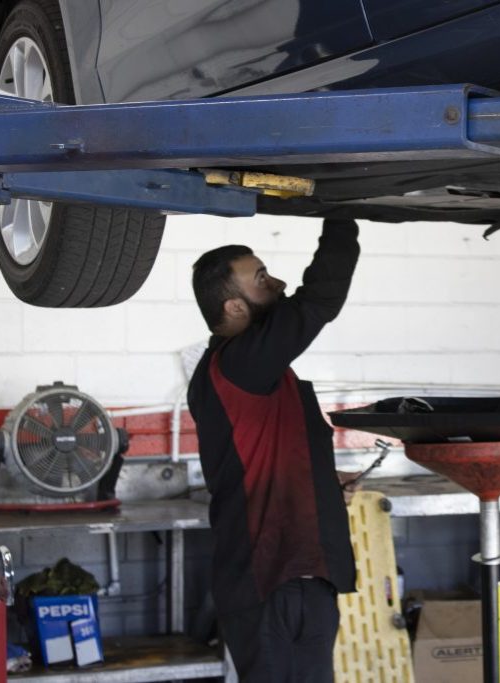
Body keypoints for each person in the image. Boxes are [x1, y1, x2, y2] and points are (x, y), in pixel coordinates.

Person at [187, 219, 362, 682]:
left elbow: (270, 457)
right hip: (267, 585)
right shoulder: (238, 365)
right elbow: (319, 299)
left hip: (303, 580)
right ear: (234, 306)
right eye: (261, 279)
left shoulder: (261, 371)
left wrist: (324, 488)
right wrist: (341, 217)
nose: (278, 284)